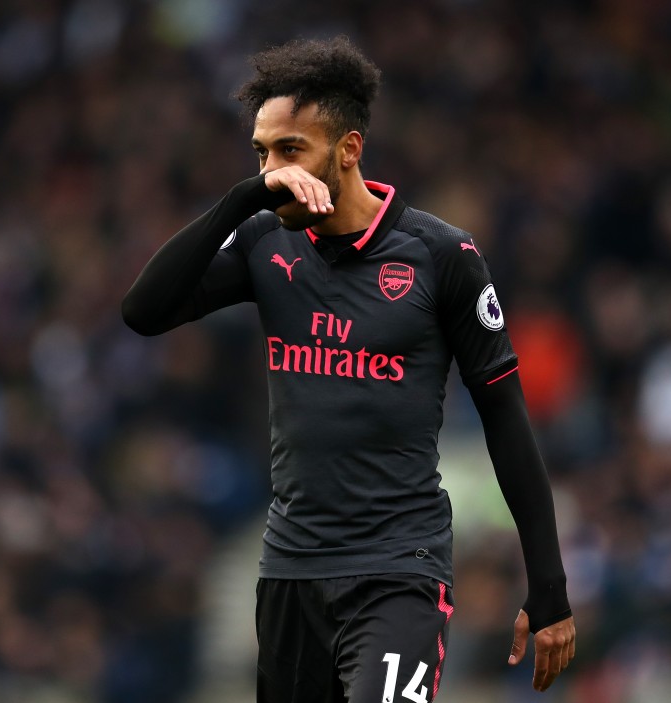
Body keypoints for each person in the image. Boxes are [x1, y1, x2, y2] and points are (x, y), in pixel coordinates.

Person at [122, 35, 575, 702]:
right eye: (262, 153)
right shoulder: (265, 242)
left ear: (349, 149)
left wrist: (550, 588)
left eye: (291, 150)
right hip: (290, 572)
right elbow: (143, 310)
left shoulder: (440, 256)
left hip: (399, 572)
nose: (274, 169)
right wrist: (242, 199)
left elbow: (505, 418)